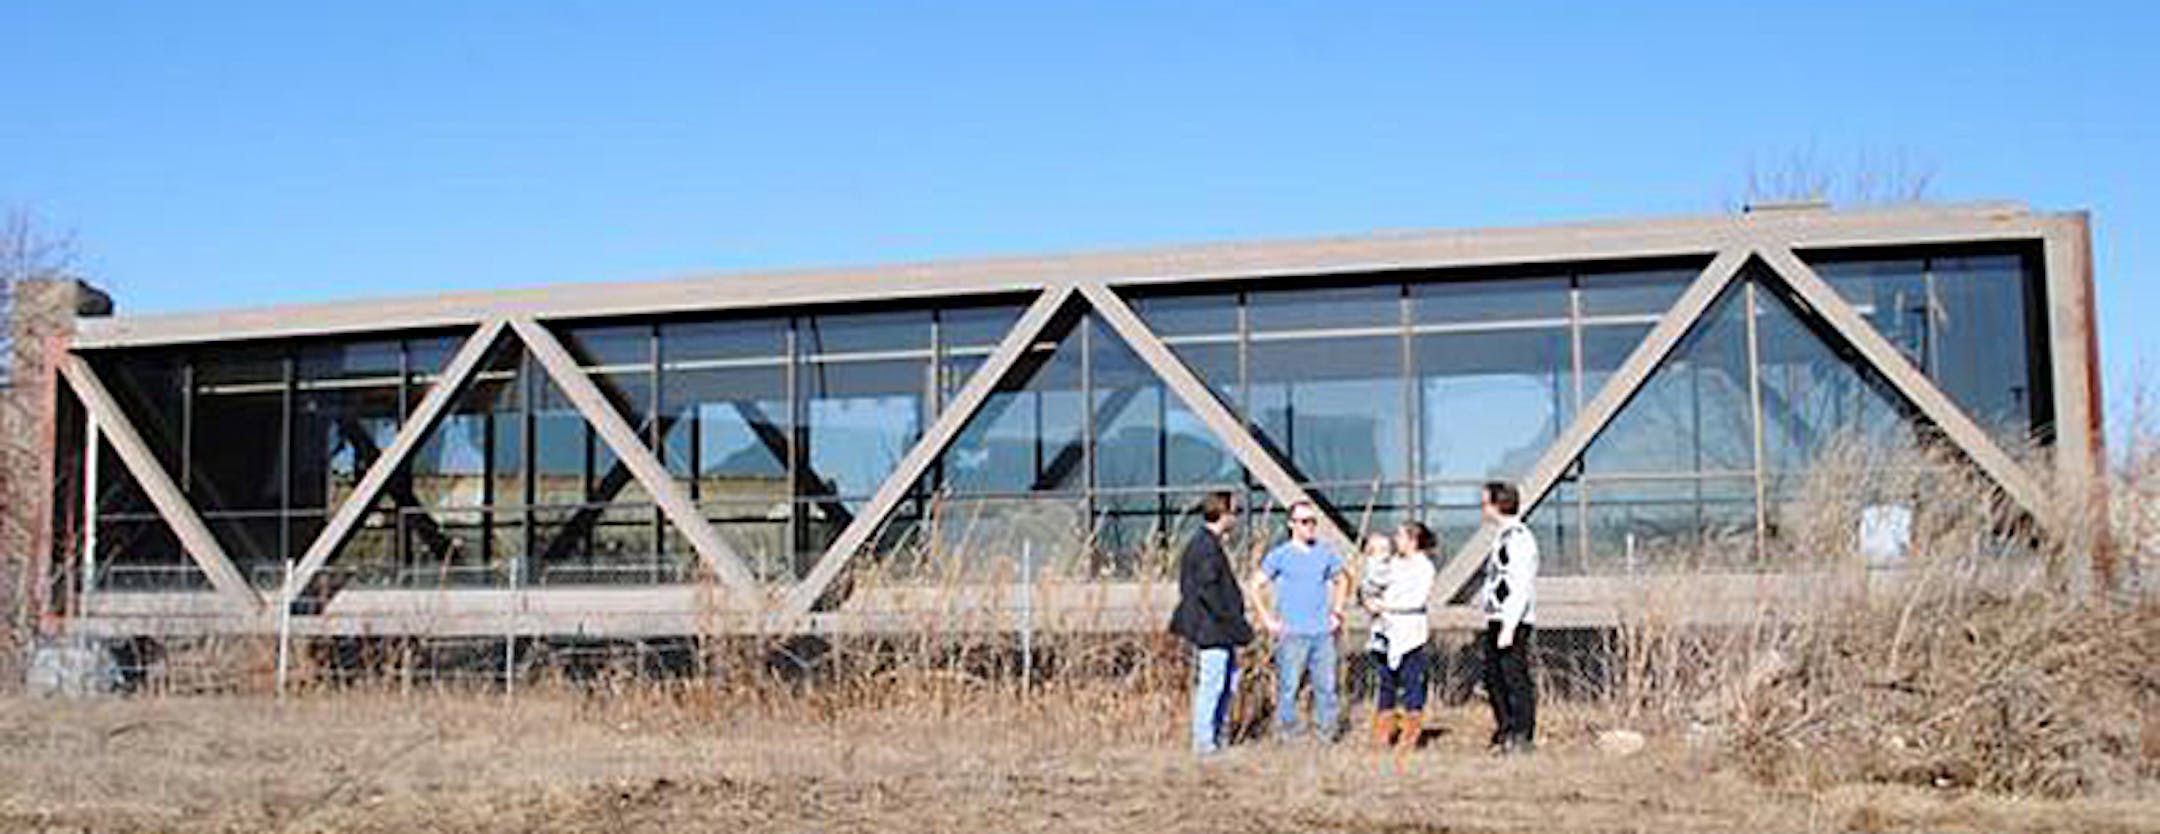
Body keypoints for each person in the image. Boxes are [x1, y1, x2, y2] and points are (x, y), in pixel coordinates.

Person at [1251, 500, 1348, 742]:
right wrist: (1267, 619)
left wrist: (1337, 612)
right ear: (1291, 524)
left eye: (1313, 521)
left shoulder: (1325, 553)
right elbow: (1255, 585)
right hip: (1291, 633)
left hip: (1322, 633)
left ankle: (1325, 735)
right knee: (1289, 689)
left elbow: (1343, 580)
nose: (1310, 526)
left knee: (1326, 688)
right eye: (1304, 521)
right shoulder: (1280, 555)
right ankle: (1289, 735)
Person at [1169, 490, 1254, 755]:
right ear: (1223, 513)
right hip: (1213, 629)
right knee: (1213, 684)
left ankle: (1216, 735)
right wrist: (1233, 622)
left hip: (1217, 629)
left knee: (1226, 682)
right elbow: (1209, 591)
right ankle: (1205, 742)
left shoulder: (1205, 543)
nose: (1237, 518)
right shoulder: (1206, 547)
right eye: (1235, 512)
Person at [1364, 521, 1437, 754]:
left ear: (1413, 541)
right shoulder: (1393, 563)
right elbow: (1374, 583)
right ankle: (1383, 733)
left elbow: (1416, 601)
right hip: (1386, 633)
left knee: (1411, 684)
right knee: (1386, 683)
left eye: (1400, 536)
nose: (1396, 540)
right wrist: (1373, 559)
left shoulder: (1424, 567)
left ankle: (1409, 735)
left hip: (1410, 635)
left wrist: (1385, 606)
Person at [1478, 482, 1539, 754]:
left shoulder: (1519, 538)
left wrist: (1509, 625)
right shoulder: (1501, 536)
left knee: (1514, 677)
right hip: (1497, 617)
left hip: (1512, 620)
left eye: (1485, 503)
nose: (1482, 508)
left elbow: (1520, 584)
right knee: (1493, 677)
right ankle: (1504, 730)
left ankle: (1521, 734)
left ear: (1497, 504)